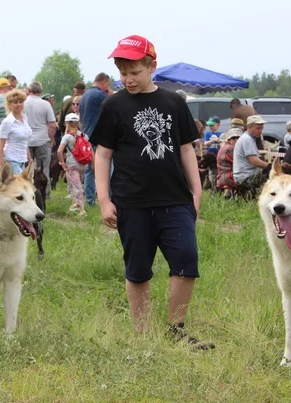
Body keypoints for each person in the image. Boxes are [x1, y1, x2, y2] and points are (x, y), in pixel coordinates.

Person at [91, 34, 212, 349]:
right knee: (138, 270)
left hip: (175, 198)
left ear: (152, 66)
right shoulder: (113, 105)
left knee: (186, 262)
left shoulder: (173, 102)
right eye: (123, 73)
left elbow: (186, 150)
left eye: (136, 72)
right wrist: (104, 200)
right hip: (131, 201)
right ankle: (142, 334)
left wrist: (195, 193)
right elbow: (102, 155)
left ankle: (176, 330)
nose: (128, 80)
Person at [79, 72, 111, 207]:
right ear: (103, 82)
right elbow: (114, 103)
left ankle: (90, 199)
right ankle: (108, 197)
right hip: (98, 136)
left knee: (88, 169)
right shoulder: (100, 95)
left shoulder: (84, 95)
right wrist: (110, 94)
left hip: (86, 134)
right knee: (106, 167)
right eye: (107, 85)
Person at [24, 81, 56, 197]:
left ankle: (28, 192)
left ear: (29, 90)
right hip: (42, 139)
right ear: (40, 91)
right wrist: (50, 139)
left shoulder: (23, 103)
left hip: (27, 141)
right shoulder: (46, 104)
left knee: (28, 170)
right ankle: (45, 194)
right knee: (44, 169)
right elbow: (52, 125)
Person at [57, 113, 87, 215]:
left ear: (67, 123)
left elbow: (59, 151)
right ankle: (75, 205)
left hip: (72, 165)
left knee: (76, 187)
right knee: (77, 185)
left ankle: (81, 209)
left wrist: (62, 163)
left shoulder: (67, 137)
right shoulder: (84, 135)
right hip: (83, 164)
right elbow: (90, 150)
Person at [0, 89, 32, 174]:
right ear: (9, 105)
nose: (19, 104)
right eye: (15, 102)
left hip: (23, 160)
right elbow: (0, 146)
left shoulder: (25, 119)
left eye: (21, 102)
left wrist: (30, 159)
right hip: (11, 160)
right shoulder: (7, 122)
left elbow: (24, 142)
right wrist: (1, 166)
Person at [233, 115, 270, 193]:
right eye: (258, 128)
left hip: (243, 175)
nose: (260, 131)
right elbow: (254, 161)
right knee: (273, 178)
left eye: (261, 128)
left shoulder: (247, 138)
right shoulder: (247, 139)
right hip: (245, 177)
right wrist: (270, 166)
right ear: (249, 127)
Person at [216, 127, 243, 194]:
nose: (236, 140)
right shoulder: (230, 148)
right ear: (229, 139)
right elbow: (240, 163)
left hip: (222, 177)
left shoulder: (225, 145)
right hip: (228, 178)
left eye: (238, 138)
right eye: (233, 138)